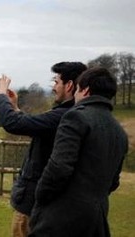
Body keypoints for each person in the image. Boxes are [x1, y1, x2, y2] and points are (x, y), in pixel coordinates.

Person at [29, 67, 129, 237]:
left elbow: (59, 167)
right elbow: (113, 182)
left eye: (77, 90)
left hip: (61, 218)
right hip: (96, 219)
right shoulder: (119, 131)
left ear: (85, 90)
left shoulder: (75, 117)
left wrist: (40, 196)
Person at [0, 62, 87, 237]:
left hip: (33, 205)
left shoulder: (64, 116)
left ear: (69, 85)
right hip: (51, 206)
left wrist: (0, 96)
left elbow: (12, 124)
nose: (53, 87)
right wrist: (15, 108)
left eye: (56, 82)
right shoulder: (75, 115)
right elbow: (37, 127)